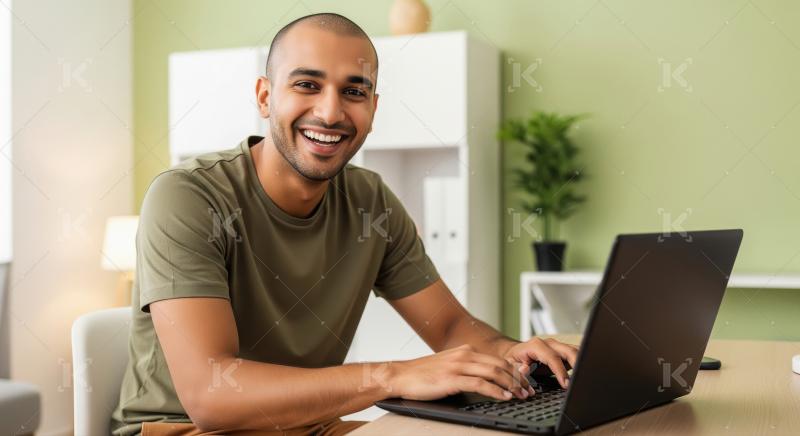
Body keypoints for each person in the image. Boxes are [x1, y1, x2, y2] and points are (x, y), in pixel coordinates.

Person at [110, 12, 578, 436]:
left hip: (305, 426)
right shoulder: (188, 197)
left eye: (353, 91)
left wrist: (518, 354)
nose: (331, 112)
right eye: (307, 85)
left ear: (372, 109)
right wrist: (394, 375)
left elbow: (452, 326)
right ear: (265, 96)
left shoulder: (370, 201)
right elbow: (211, 396)